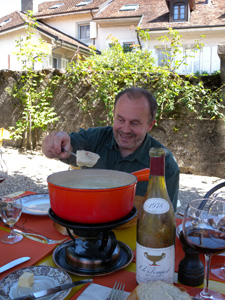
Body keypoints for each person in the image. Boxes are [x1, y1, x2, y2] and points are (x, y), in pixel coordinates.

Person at [42, 87, 179, 211]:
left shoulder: (165, 164)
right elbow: (70, 145)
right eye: (120, 120)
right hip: (90, 224)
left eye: (134, 123)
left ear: (150, 125)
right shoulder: (95, 138)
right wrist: (54, 143)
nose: (125, 129)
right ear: (113, 115)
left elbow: (164, 219)